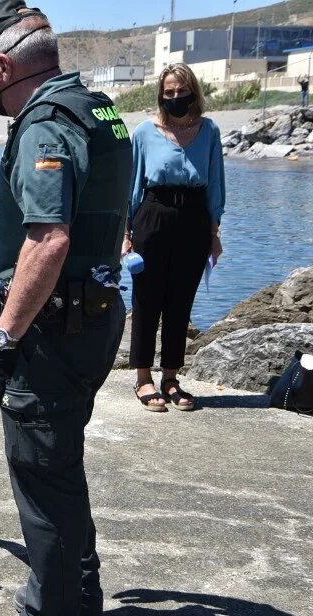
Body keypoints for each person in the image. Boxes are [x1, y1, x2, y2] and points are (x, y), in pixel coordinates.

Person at [0, 0, 133, 616]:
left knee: (39, 468)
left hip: (53, 327)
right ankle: (79, 594)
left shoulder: (43, 124)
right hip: (94, 314)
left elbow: (48, 239)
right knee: (60, 464)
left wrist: (0, 346)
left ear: (3, 67)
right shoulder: (98, 109)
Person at [124, 63, 225, 412]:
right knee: (146, 300)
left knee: (181, 302)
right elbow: (131, 185)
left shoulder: (209, 131)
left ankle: (170, 377)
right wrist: (126, 234)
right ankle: (142, 378)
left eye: (182, 91)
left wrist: (214, 232)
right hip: (153, 214)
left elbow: (215, 184)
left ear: (193, 92)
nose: (176, 97)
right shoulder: (143, 132)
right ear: (161, 95)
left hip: (195, 220)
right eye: (169, 93)